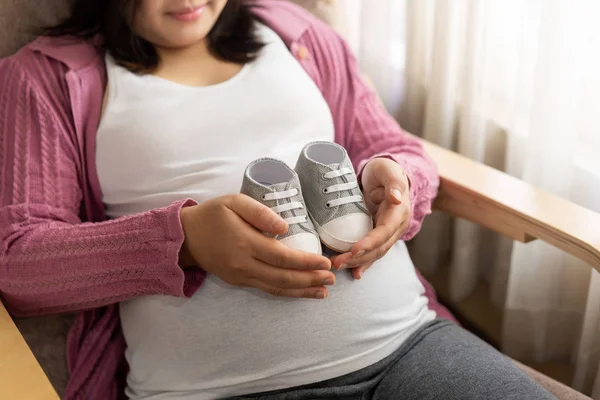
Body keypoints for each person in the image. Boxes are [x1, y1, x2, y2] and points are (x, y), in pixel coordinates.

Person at [0, 1, 555, 399]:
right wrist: (184, 242)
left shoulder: (297, 32)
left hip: (411, 348)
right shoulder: (46, 77)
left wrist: (398, 179)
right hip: (222, 388)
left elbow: (393, 147)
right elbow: (19, 261)